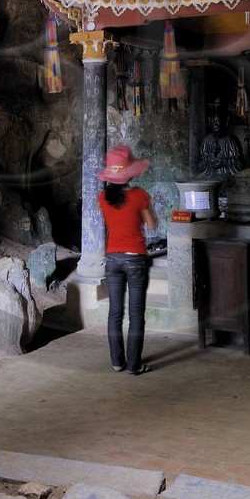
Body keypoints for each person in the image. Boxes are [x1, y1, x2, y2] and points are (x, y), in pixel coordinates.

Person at [97, 145, 158, 375]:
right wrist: (148, 211)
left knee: (114, 313)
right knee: (135, 313)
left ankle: (117, 362)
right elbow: (152, 225)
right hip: (135, 260)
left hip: (112, 259)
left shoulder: (103, 198)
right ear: (129, 172)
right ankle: (134, 365)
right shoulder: (139, 195)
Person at [196, 99, 244, 181]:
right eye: (214, 121)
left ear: (225, 121)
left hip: (225, 173)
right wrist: (209, 159)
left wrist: (223, 161)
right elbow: (201, 164)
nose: (216, 124)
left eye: (218, 121)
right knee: (199, 178)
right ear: (209, 121)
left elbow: (238, 165)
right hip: (210, 174)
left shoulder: (231, 140)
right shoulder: (207, 140)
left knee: (231, 180)